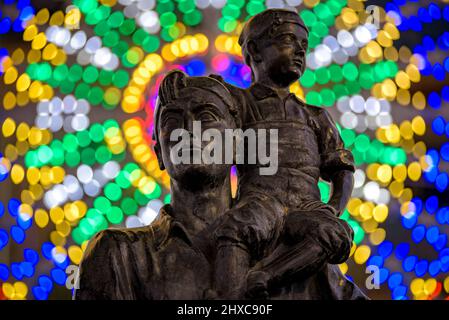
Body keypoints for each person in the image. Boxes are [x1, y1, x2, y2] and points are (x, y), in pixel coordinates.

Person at [211, 8, 359, 299]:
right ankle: (225, 294)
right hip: (261, 200)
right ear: (254, 50)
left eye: (304, 46)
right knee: (238, 226)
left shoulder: (316, 116)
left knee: (335, 234)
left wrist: (334, 208)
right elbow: (203, 105)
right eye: (290, 41)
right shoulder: (237, 103)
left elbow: (341, 167)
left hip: (307, 207)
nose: (300, 52)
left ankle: (266, 276)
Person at [74, 71, 240, 299]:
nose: (189, 130)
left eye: (207, 117)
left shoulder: (277, 253)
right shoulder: (118, 255)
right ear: (159, 153)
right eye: (172, 121)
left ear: (238, 144)